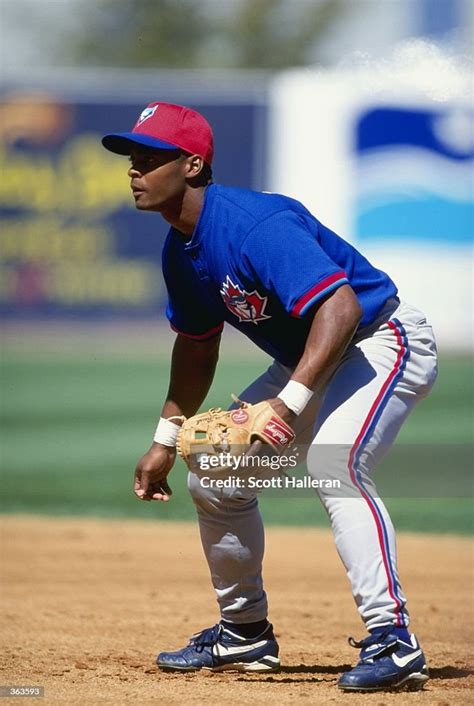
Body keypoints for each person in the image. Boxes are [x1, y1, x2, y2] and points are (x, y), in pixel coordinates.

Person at [102, 102, 438, 692]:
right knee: (214, 471)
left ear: (193, 164)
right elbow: (197, 347)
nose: (135, 170)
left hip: (381, 339)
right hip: (310, 356)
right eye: (133, 159)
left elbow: (342, 306)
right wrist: (165, 439)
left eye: (150, 158)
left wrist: (290, 403)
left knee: (336, 464)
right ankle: (245, 633)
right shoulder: (180, 251)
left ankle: (394, 640)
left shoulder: (252, 224)